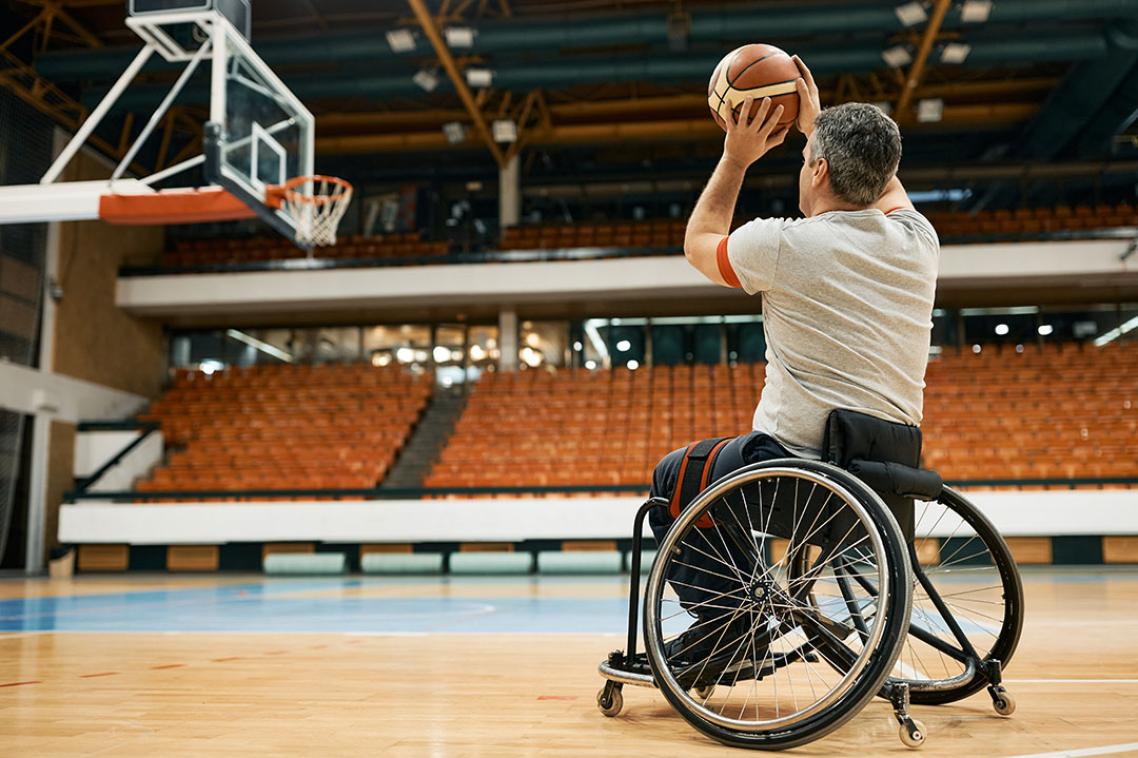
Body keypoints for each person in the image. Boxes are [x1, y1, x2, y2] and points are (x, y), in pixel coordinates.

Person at [647, 57, 940, 671]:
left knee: (673, 479)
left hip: (796, 478)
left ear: (818, 169)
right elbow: (883, 188)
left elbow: (698, 243)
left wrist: (735, 157)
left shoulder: (782, 244)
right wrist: (817, 126)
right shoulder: (919, 241)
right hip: (885, 481)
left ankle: (738, 621)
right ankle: (753, 614)